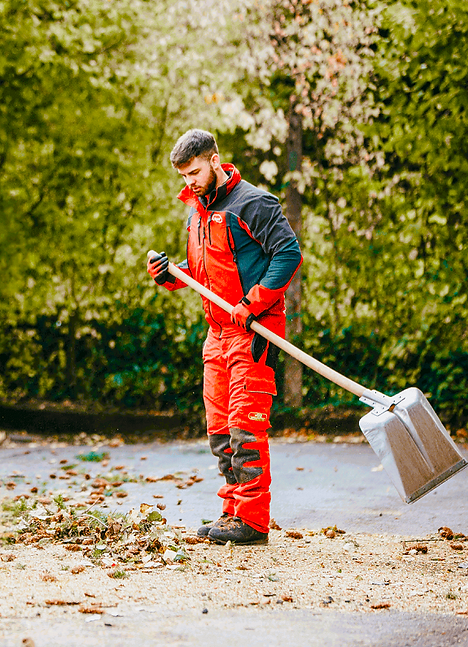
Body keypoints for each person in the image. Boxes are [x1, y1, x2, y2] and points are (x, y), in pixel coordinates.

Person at [147, 129, 302, 545]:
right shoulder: (197, 213)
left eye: (194, 172)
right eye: (183, 176)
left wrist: (253, 302)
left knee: (245, 426)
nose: (189, 183)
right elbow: (204, 273)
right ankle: (232, 510)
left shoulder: (254, 204)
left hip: (254, 329)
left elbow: (289, 253)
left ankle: (252, 519)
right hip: (216, 335)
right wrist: (170, 275)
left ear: (215, 160)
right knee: (220, 430)